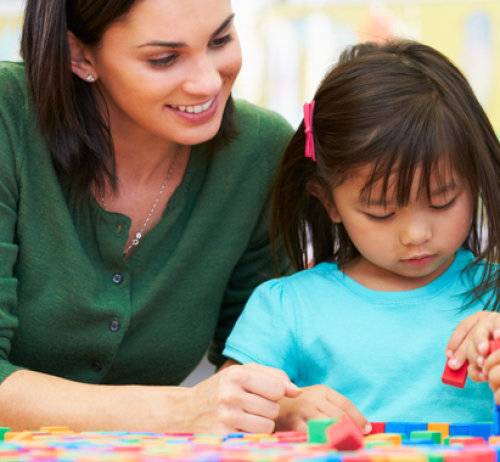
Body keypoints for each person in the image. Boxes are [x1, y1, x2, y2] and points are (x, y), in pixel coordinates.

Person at [0, 0, 375, 435]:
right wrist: (179, 410)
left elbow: (263, 358)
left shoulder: (258, 154)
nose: (208, 81)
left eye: (221, 40)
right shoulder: (9, 120)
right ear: (80, 55)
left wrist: (279, 403)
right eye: (164, 59)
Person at [220, 40, 500, 431]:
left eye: (442, 202)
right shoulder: (290, 309)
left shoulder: (494, 296)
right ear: (329, 202)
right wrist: (282, 412)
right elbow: (223, 411)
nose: (416, 234)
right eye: (380, 212)